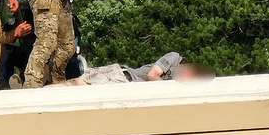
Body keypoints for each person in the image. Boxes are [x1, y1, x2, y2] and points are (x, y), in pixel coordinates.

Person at [61, 52, 215, 86]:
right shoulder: (175, 58)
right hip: (120, 76)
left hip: (123, 84)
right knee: (74, 86)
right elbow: (152, 75)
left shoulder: (178, 84)